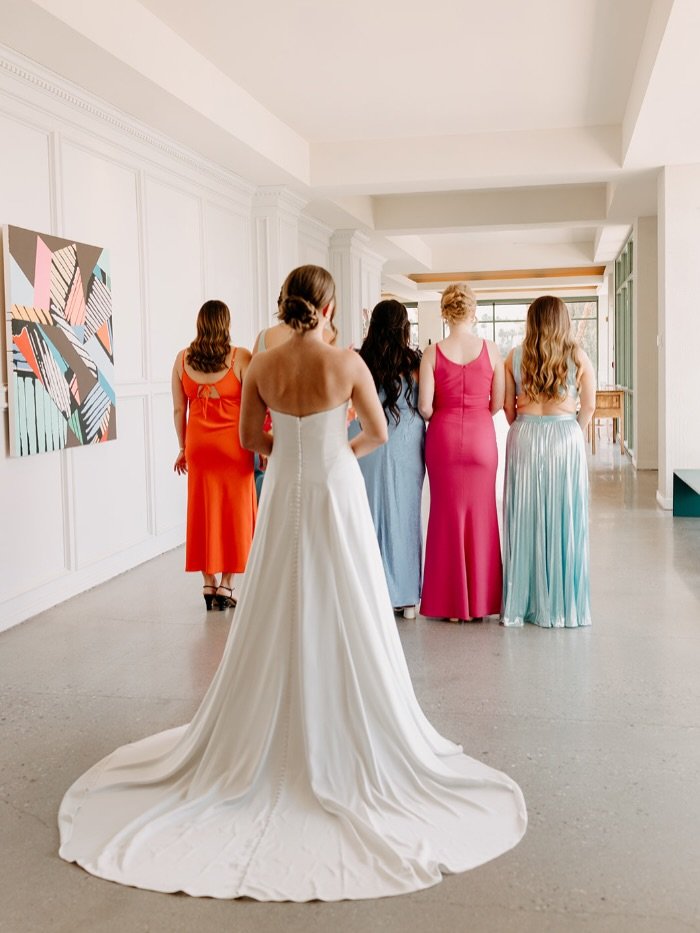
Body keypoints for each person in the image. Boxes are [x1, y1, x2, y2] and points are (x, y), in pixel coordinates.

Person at [58, 265, 526, 902]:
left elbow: (251, 438)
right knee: (345, 598)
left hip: (284, 492)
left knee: (278, 596)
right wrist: (333, 458)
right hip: (335, 490)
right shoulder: (345, 363)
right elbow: (378, 433)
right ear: (328, 306)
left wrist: (291, 458)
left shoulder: (262, 365)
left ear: (287, 304)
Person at [502, 295, 595, 627]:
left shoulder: (514, 356)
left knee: (525, 516)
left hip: (525, 435)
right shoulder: (578, 356)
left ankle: (524, 603)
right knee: (564, 515)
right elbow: (589, 405)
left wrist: (525, 426)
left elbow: (509, 409)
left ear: (532, 322)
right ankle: (561, 607)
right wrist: (572, 433)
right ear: (563, 321)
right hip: (565, 436)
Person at [418, 283, 505, 622]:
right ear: (473, 311)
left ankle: (450, 605)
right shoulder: (491, 350)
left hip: (443, 439)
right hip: (482, 439)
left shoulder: (432, 353)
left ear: (445, 312)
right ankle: (480, 603)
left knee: (445, 516)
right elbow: (497, 403)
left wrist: (446, 410)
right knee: (482, 516)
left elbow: (425, 407)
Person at [171, 299, 256, 609]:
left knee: (203, 511)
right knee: (236, 512)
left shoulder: (182, 359)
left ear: (200, 324)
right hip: (234, 446)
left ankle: (208, 582)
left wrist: (183, 448)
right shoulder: (240, 357)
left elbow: (179, 409)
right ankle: (227, 585)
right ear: (226, 324)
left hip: (199, 447)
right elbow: (255, 404)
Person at [349, 299, 425, 619]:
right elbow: (425, 405)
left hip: (364, 436)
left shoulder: (358, 359)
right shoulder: (415, 361)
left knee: (365, 513)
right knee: (405, 514)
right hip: (405, 440)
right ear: (404, 327)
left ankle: (368, 592)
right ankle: (405, 597)